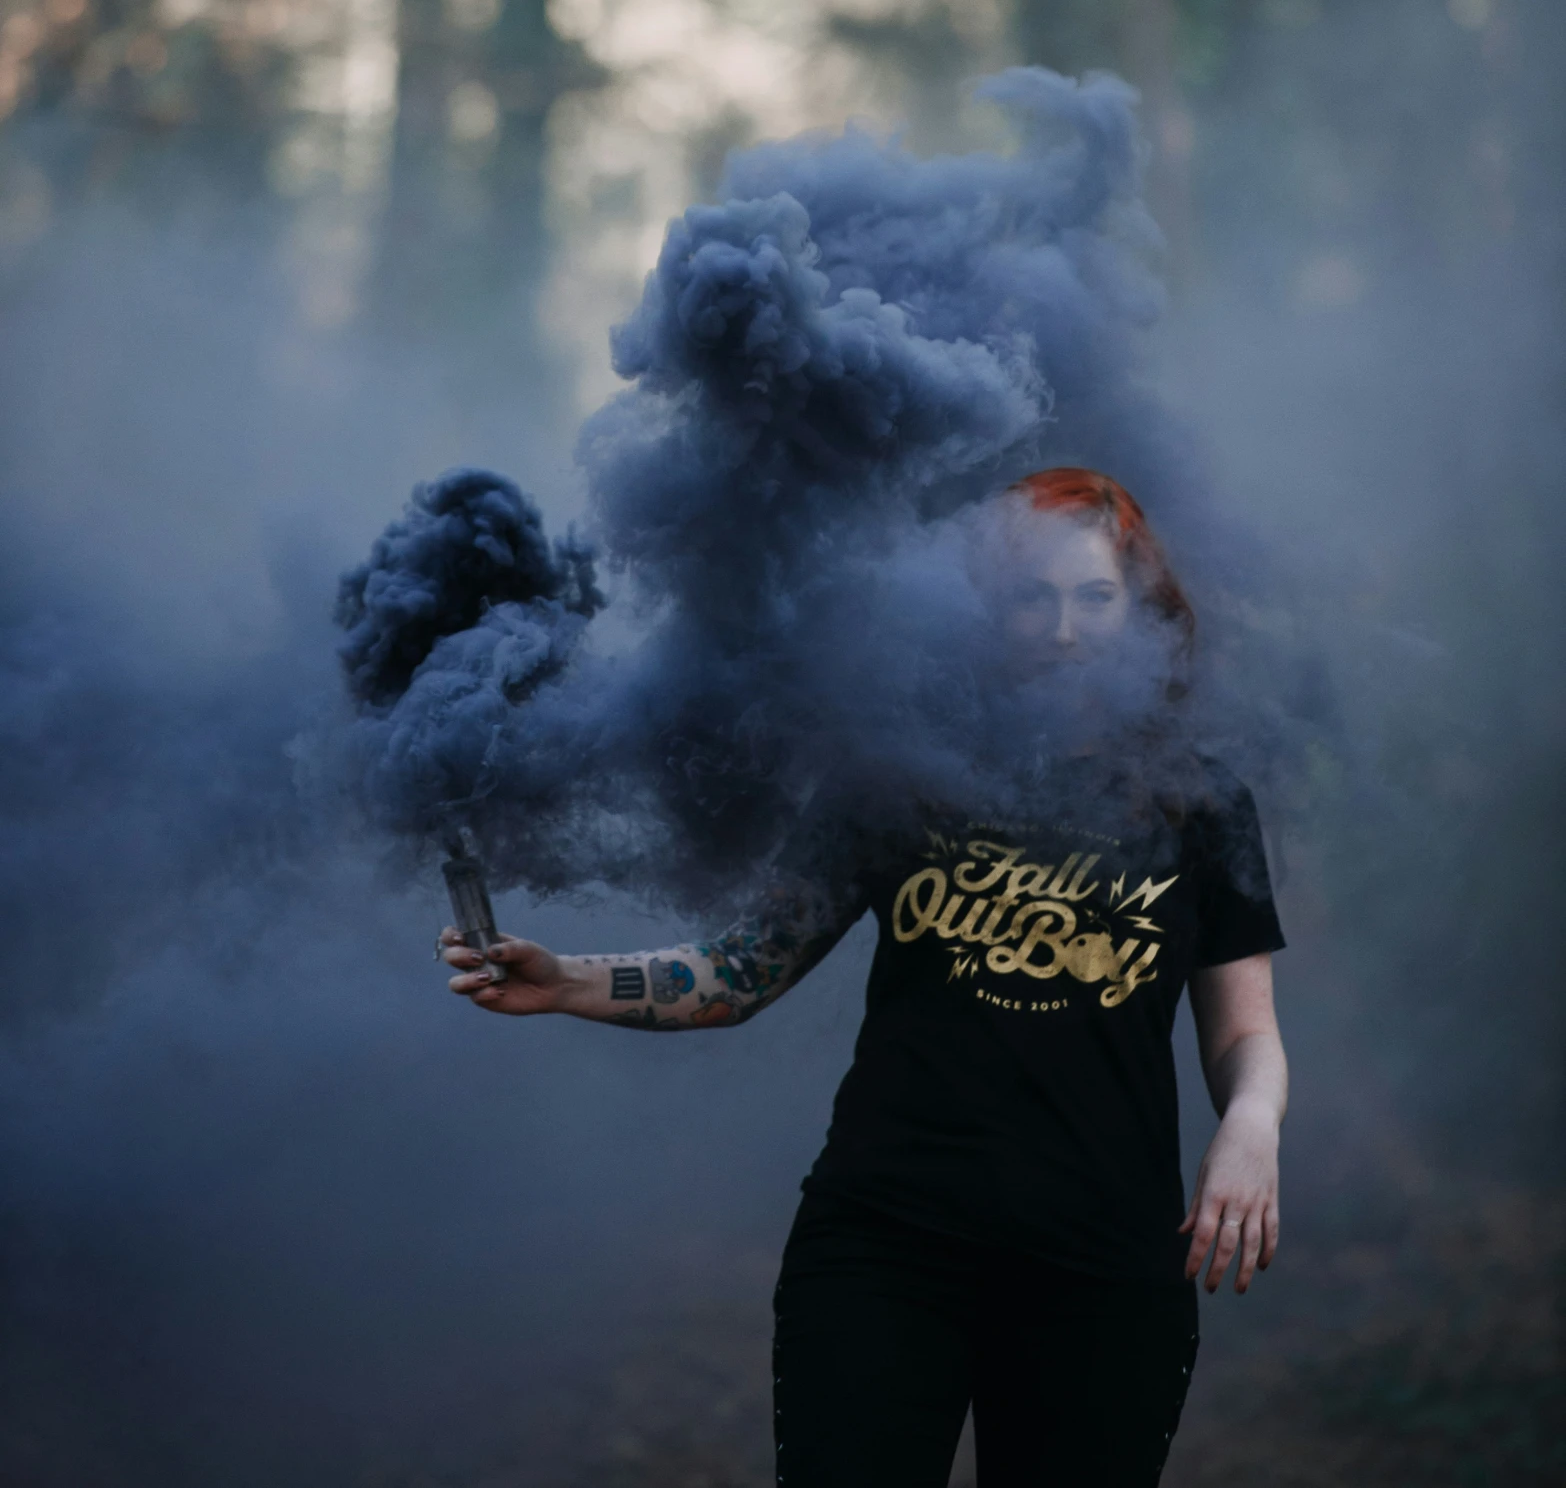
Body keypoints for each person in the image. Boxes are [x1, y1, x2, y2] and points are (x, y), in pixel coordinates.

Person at [439, 467, 1288, 1488]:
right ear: (986, 611)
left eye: (1094, 598)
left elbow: (1245, 1034)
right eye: (1032, 597)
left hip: (1103, 1268)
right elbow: (739, 969)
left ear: (1141, 608)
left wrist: (1249, 1126)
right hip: (888, 1252)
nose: (1064, 629)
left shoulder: (1200, 802)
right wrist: (565, 978)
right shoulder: (901, 769)